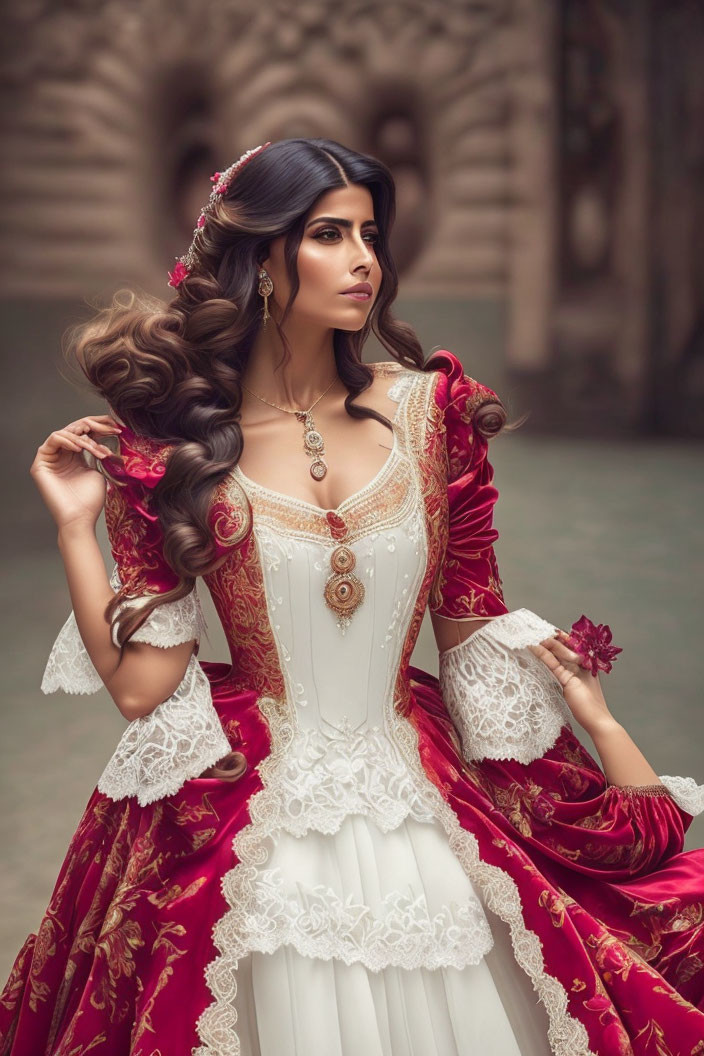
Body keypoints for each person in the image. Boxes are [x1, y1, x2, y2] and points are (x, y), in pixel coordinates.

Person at [1, 137, 703, 1056]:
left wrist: (597, 740)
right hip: (254, 816)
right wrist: (73, 529)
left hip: (423, 795)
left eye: (371, 234)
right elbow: (142, 690)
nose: (364, 259)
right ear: (259, 259)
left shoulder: (432, 414)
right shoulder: (178, 448)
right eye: (329, 234)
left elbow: (473, 637)